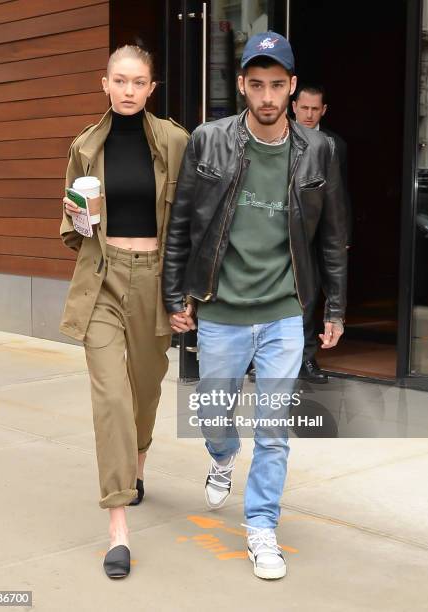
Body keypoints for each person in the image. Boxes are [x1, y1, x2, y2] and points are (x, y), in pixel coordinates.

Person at [163, 31, 347, 580]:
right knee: (215, 416)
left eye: (277, 86)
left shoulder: (319, 150)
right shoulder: (208, 140)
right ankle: (221, 455)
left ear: (292, 88)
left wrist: (333, 308)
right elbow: (181, 224)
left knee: (273, 428)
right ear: (241, 86)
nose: (267, 97)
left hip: (285, 312)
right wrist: (177, 296)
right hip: (221, 310)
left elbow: (333, 237)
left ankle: (262, 525)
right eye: (256, 85)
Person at [59, 45, 189, 579]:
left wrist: (187, 297)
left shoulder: (177, 142)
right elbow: (72, 233)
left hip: (157, 281)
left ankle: (136, 465)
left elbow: (191, 224)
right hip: (103, 277)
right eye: (120, 80)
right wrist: (78, 218)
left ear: (151, 88)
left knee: (145, 390)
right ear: (104, 84)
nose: (129, 90)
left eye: (139, 81)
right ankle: (118, 528)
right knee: (111, 397)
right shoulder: (85, 147)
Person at [292, 84, 352, 383]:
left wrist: (343, 238)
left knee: (311, 295)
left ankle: (306, 358)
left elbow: (341, 199)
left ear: (323, 111)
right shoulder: (279, 137)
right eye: (304, 107)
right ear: (294, 106)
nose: (309, 114)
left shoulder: (334, 145)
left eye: (315, 109)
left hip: (320, 235)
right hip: (289, 231)